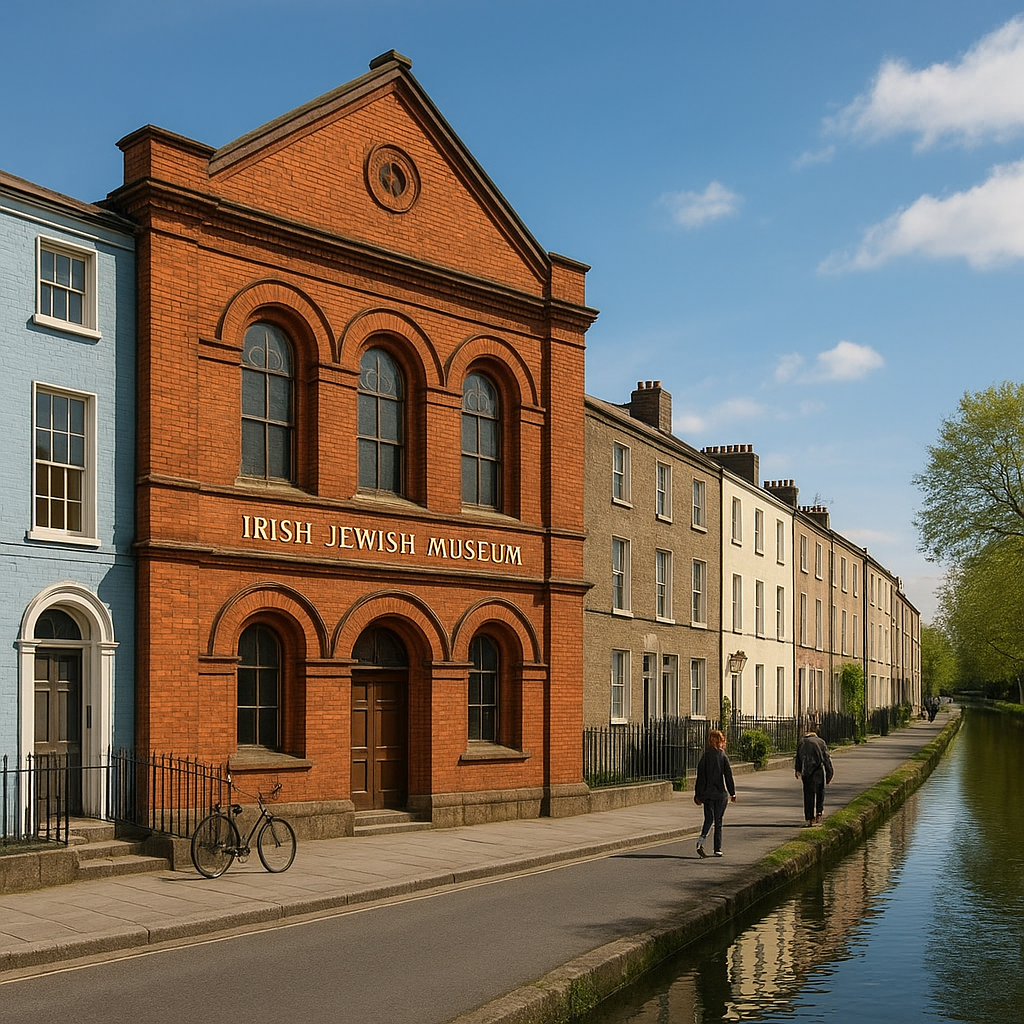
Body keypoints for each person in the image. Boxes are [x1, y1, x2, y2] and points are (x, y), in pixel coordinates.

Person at [693, 729, 736, 858]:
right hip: (720, 795)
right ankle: (717, 848)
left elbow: (700, 777)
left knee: (708, 819)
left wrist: (698, 795)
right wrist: (732, 793)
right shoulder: (723, 757)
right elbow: (728, 776)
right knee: (718, 821)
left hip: (707, 795)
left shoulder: (705, 757)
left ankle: (700, 842)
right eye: (722, 741)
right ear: (719, 742)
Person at [794, 725, 834, 826]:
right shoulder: (821, 742)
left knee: (808, 794)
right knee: (820, 791)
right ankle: (819, 812)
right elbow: (826, 758)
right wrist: (829, 772)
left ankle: (809, 817)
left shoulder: (802, 742)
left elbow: (798, 756)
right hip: (817, 769)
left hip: (806, 770)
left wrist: (797, 769)